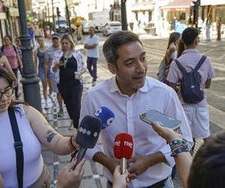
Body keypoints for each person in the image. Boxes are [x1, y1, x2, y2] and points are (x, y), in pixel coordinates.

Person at [80, 31, 193, 187]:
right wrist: (108, 162)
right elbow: (83, 142)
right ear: (112, 68)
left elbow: (185, 139)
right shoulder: (93, 97)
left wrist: (152, 159)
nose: (141, 68)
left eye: (143, 58)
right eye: (130, 63)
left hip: (159, 183)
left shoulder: (165, 94)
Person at [0, 62, 85, 187]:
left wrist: (72, 142)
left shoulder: (24, 112)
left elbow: (56, 142)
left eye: (7, 90)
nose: (4, 98)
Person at [167, 27, 215, 146]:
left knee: (186, 139)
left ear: (182, 41)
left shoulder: (177, 62)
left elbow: (171, 86)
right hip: (201, 104)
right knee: (205, 136)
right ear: (196, 41)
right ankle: (208, 161)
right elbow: (207, 84)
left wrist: (182, 87)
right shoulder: (206, 60)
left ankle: (188, 163)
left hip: (183, 106)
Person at [51, 34, 86, 129]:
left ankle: (78, 127)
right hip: (63, 84)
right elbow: (53, 70)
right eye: (62, 43)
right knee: (69, 104)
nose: (64, 45)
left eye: (66, 43)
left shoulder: (77, 53)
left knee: (76, 103)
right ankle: (74, 121)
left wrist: (79, 73)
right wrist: (57, 65)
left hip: (76, 83)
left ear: (71, 43)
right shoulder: (57, 54)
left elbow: (84, 67)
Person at [46, 33, 64, 117]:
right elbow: (46, 63)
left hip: (66, 74)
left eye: (57, 39)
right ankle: (61, 108)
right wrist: (46, 76)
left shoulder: (64, 48)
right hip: (55, 75)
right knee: (58, 92)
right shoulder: (48, 50)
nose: (55, 40)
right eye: (53, 39)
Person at [0, 35, 23, 100]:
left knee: (15, 79)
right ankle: (10, 93)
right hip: (6, 68)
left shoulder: (14, 47)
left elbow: (17, 56)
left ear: (10, 40)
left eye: (7, 40)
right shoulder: (2, 48)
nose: (6, 41)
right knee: (8, 80)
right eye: (5, 40)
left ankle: (16, 93)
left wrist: (21, 64)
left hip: (14, 66)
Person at [34, 36, 52, 109]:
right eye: (39, 41)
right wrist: (35, 71)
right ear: (38, 42)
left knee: (51, 86)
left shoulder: (48, 49)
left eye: (42, 40)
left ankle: (50, 94)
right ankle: (46, 101)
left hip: (49, 68)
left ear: (44, 41)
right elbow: (35, 62)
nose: (41, 42)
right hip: (41, 68)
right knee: (44, 85)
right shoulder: (36, 50)